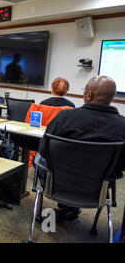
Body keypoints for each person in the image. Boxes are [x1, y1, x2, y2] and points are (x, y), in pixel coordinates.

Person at [37, 76, 125, 223]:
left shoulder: (65, 117)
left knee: (40, 161)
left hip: (58, 185)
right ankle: (69, 209)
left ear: (89, 95)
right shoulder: (122, 126)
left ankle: (65, 208)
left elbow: (43, 150)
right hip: (96, 192)